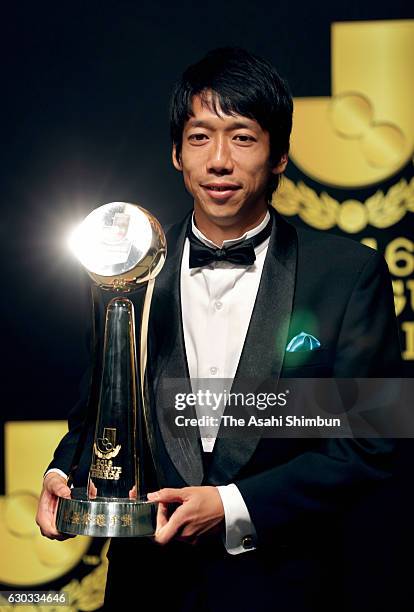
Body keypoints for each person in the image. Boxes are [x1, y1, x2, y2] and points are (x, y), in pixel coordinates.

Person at [36, 48, 401, 611]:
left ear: (279, 155)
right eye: (201, 137)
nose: (219, 161)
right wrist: (64, 472)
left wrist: (233, 506)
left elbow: (370, 443)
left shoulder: (347, 275)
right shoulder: (125, 273)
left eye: (243, 137)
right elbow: (98, 416)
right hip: (146, 590)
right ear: (177, 155)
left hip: (286, 586)